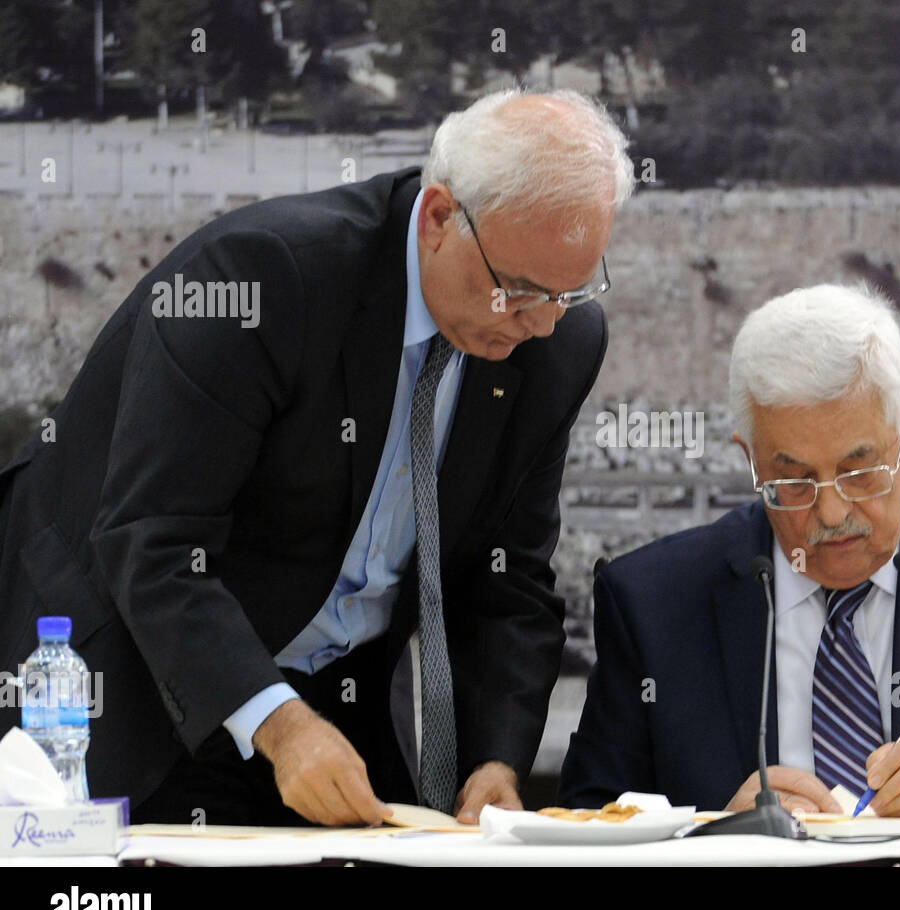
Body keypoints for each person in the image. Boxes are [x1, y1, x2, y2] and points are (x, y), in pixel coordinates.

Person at [0, 88, 634, 826]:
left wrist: (496, 761)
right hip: (141, 681)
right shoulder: (264, 280)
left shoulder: (559, 346)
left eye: (571, 291)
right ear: (437, 219)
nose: (542, 325)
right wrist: (280, 725)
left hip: (341, 702)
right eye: (519, 291)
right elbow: (154, 541)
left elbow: (510, 577)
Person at [558, 283, 900, 815]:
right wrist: (716, 838)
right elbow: (590, 820)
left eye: (860, 471)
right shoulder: (653, 602)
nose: (831, 514)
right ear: (751, 460)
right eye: (796, 482)